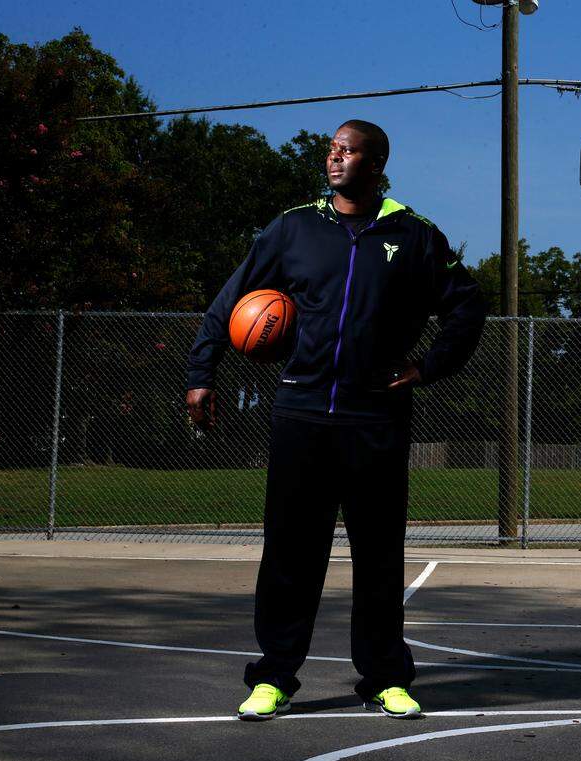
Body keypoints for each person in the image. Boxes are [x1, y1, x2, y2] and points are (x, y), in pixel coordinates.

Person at [185, 119, 486, 721]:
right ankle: (273, 676)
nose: (334, 158)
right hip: (301, 411)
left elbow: (467, 306)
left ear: (376, 164)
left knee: (379, 556)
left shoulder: (416, 235)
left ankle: (384, 679)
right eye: (331, 150)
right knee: (290, 555)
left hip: (376, 416)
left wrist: (428, 368)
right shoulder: (294, 226)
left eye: (347, 151)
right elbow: (233, 296)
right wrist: (201, 371)